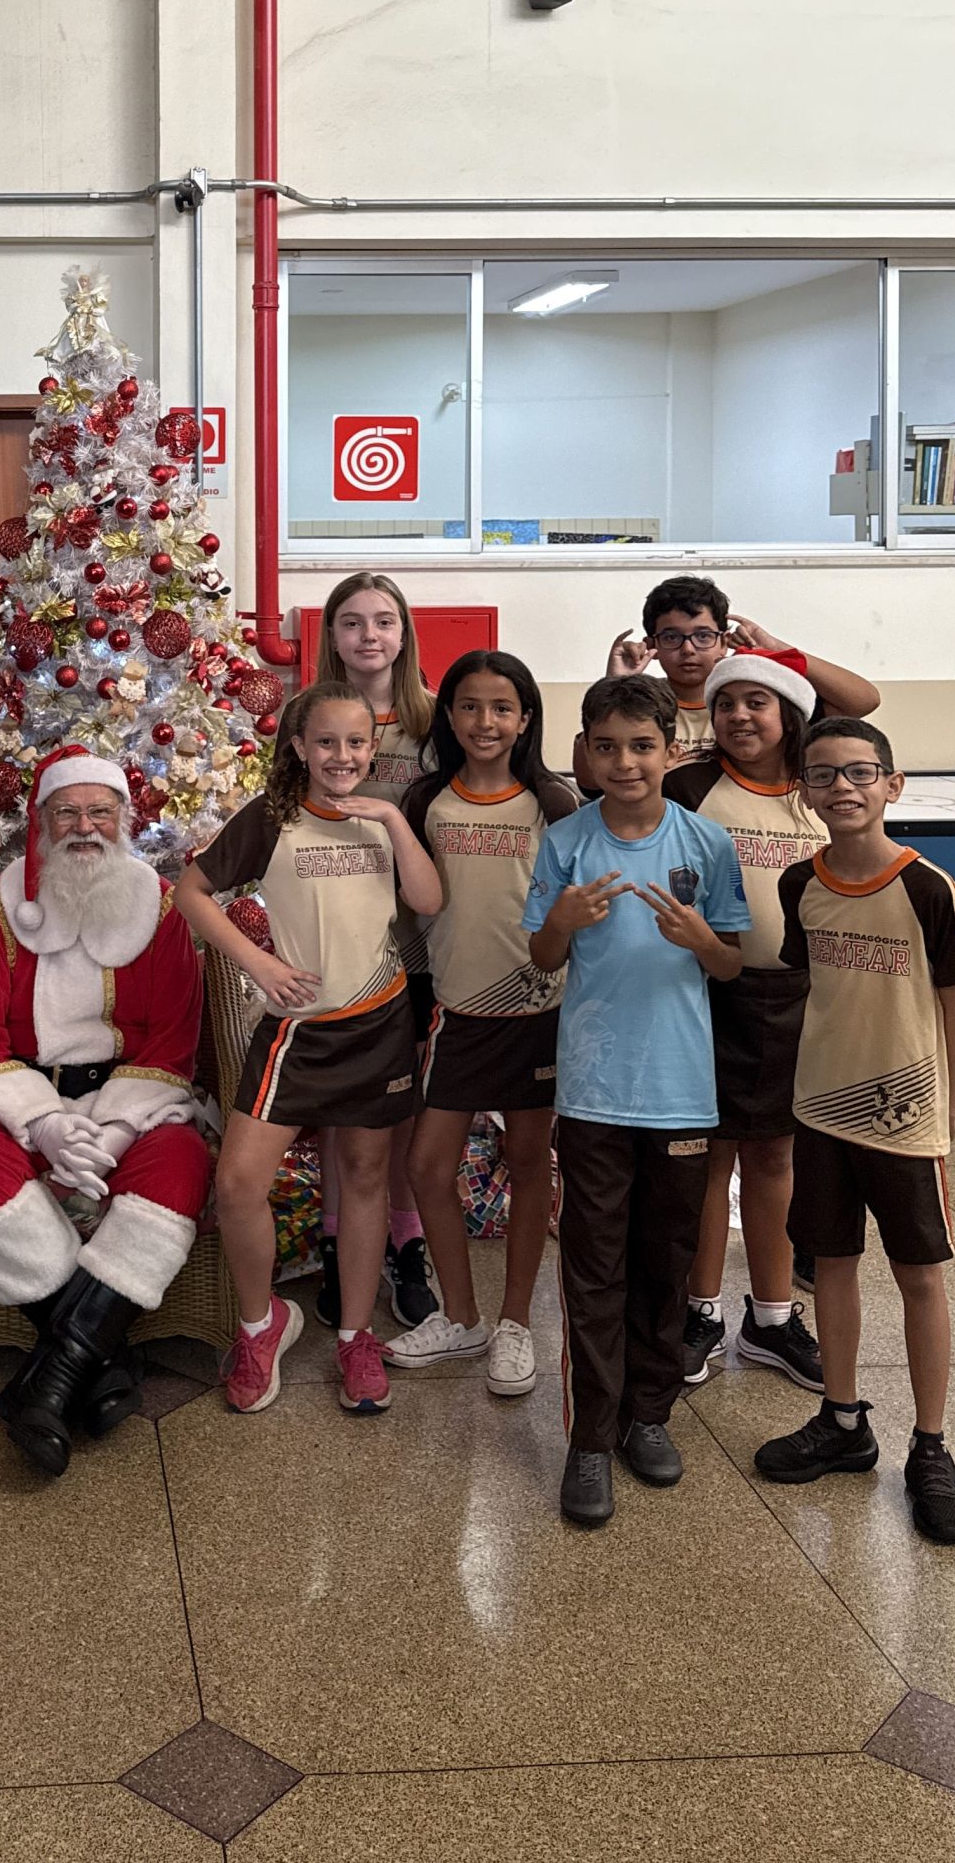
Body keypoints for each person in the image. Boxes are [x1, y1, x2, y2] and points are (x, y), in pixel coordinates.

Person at [0, 746, 212, 1477]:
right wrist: (45, 1123)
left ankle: (54, 1379)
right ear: (42, 823)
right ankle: (102, 1362)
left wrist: (116, 1129)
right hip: (19, 1098)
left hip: (133, 1100)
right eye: (67, 813)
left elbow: (174, 1040)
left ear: (124, 820)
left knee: (182, 1163)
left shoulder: (161, 907)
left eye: (100, 812)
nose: (84, 827)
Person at [180, 686, 443, 1420]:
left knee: (364, 1178)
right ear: (299, 746)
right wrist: (258, 963)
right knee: (238, 1183)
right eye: (326, 742)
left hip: (378, 1024)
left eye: (356, 743)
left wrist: (393, 819)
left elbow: (428, 901)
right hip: (295, 1033)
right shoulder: (272, 817)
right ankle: (261, 1325)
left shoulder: (383, 817)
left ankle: (356, 1338)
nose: (341, 756)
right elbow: (192, 891)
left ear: (373, 749)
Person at [525, 675, 750, 1528]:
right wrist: (563, 923)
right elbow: (545, 958)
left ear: (672, 750)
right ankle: (590, 1438)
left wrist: (702, 940)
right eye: (608, 747)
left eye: (642, 746)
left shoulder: (706, 842)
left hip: (681, 1092)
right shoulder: (567, 841)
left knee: (665, 1260)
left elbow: (730, 962)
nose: (625, 762)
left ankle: (648, 1415)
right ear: (586, 752)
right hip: (593, 1090)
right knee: (593, 1267)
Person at [754, 718, 955, 1546]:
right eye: (823, 774)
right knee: (833, 1266)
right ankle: (843, 1420)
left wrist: (946, 1109)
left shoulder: (929, 888)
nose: (842, 787)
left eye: (859, 772)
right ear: (804, 791)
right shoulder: (799, 883)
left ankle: (931, 1445)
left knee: (919, 1277)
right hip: (820, 1112)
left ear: (893, 783)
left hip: (905, 1122)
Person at [387, 651, 576, 1395]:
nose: (485, 721)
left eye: (502, 707)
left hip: (536, 1012)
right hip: (456, 1012)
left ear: (525, 719)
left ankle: (515, 1322)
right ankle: (461, 1317)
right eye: (469, 706)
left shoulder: (552, 801)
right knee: (427, 1166)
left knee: (529, 1162)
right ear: (448, 716)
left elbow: (575, 906)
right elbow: (408, 899)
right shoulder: (427, 799)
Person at [668, 656, 827, 1395]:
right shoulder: (690, 788)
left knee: (774, 1156)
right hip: (707, 993)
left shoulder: (821, 788)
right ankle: (697, 1311)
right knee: (710, 1155)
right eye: (725, 702)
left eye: (755, 701)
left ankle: (770, 1317)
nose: (737, 715)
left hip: (802, 999)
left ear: (789, 713)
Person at [311, 571, 440, 1333]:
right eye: (352, 621)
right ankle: (338, 1241)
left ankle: (406, 1240)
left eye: (383, 621)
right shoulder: (309, 717)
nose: (369, 635)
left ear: (403, 633)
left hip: (418, 945)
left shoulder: (435, 721)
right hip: (341, 943)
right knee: (344, 1107)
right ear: (332, 634)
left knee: (405, 1106)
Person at [579, 575, 881, 781]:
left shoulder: (757, 702)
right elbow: (589, 780)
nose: (688, 649)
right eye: (672, 637)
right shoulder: (640, 705)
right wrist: (614, 687)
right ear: (652, 644)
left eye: (703, 636)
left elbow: (863, 701)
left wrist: (778, 650)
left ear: (724, 642)